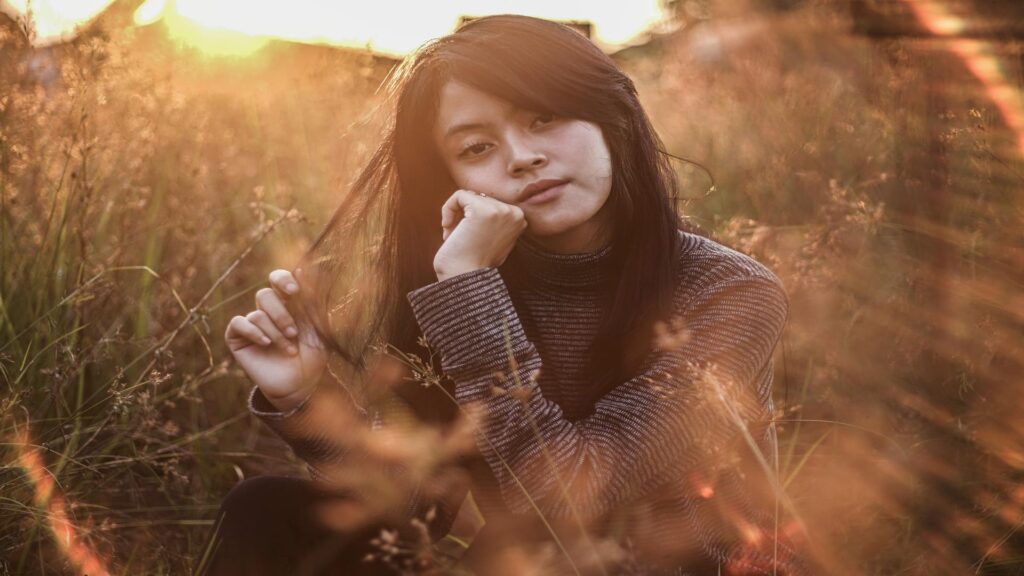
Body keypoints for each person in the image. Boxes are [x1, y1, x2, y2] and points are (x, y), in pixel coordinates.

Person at [202, 14, 805, 576]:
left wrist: (469, 294)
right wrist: (306, 396)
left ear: (610, 118)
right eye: (476, 148)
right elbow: (419, 510)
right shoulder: (466, 281)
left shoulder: (730, 290)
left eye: (543, 117)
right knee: (268, 509)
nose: (522, 157)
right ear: (453, 181)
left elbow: (570, 498)